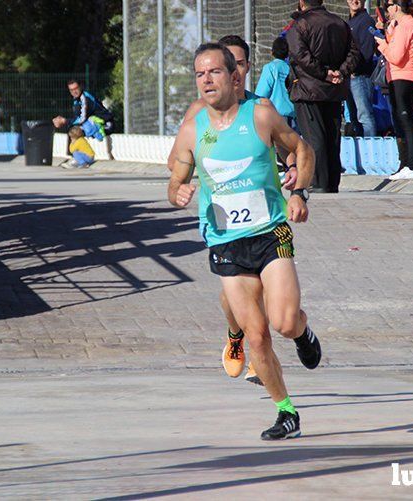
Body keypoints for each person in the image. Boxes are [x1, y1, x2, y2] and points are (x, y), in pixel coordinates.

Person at [168, 43, 321, 440]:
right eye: (200, 74)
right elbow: (176, 175)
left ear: (234, 76)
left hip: (270, 233)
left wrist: (299, 193)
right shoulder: (192, 127)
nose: (207, 80)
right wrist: (177, 191)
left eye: (214, 72)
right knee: (257, 335)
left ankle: (303, 331)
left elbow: (302, 148)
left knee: (284, 322)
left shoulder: (261, 114)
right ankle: (286, 411)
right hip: (225, 242)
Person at [287, 0, 362, 193]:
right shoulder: (339, 23)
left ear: (302, 2)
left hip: (308, 89)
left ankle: (318, 181)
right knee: (332, 136)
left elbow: (300, 55)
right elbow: (354, 52)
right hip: (334, 90)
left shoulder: (300, 25)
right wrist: (341, 72)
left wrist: (324, 73)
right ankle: (331, 181)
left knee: (314, 137)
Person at [375, 0, 413, 180]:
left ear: (396, 7)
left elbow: (396, 56)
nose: (387, 12)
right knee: (400, 121)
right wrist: (386, 32)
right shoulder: (403, 25)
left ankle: (412, 166)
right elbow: (397, 47)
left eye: (388, 7)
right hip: (401, 77)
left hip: (405, 77)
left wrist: (381, 43)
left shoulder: (407, 25)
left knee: (406, 121)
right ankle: (405, 164)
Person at [346, 0, 378, 137]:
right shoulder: (349, 23)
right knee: (353, 119)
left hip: (360, 77)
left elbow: (367, 51)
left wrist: (353, 70)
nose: (355, 1)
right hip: (349, 77)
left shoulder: (366, 21)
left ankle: (370, 153)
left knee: (364, 116)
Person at [254, 37, 296, 127]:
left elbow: (261, 94)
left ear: (272, 52)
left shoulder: (270, 67)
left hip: (275, 117)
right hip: (293, 118)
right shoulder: (292, 69)